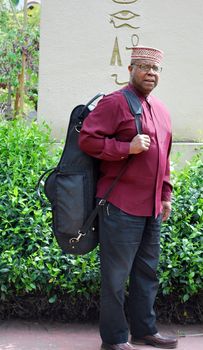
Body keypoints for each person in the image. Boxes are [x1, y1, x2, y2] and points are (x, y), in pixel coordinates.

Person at [79, 46, 178, 350]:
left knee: (147, 272)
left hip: (150, 207)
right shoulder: (114, 103)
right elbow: (87, 139)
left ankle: (144, 330)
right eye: (145, 67)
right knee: (115, 277)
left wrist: (165, 195)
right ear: (131, 69)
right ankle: (115, 339)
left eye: (156, 69)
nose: (151, 73)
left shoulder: (160, 109)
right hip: (119, 205)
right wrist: (126, 149)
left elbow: (164, 157)